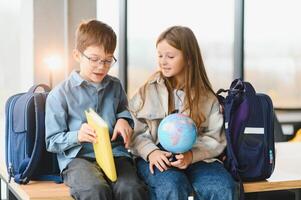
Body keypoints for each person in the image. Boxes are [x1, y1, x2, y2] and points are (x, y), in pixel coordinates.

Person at [129, 26, 237, 200]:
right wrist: (151, 152)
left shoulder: (207, 97)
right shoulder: (146, 91)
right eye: (160, 55)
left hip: (197, 156)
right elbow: (135, 132)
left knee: (223, 187)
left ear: (188, 58)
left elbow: (216, 139)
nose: (163, 61)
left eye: (170, 56)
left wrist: (191, 156)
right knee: (172, 185)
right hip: (157, 155)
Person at [45, 19, 148, 200]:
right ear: (77, 55)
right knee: (96, 190)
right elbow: (51, 141)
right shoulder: (59, 94)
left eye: (108, 60)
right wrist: (77, 135)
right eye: (94, 59)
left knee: (131, 189)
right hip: (78, 158)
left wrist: (124, 119)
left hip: (115, 154)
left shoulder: (115, 85)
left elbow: (124, 111)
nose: (101, 66)